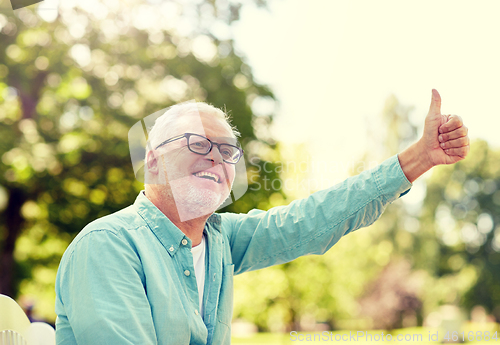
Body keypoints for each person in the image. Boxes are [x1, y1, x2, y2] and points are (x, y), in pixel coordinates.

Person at [54, 89, 469, 344]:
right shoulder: (108, 246)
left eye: (228, 150)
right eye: (199, 145)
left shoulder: (220, 239)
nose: (217, 158)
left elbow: (313, 220)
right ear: (154, 161)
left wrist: (417, 159)